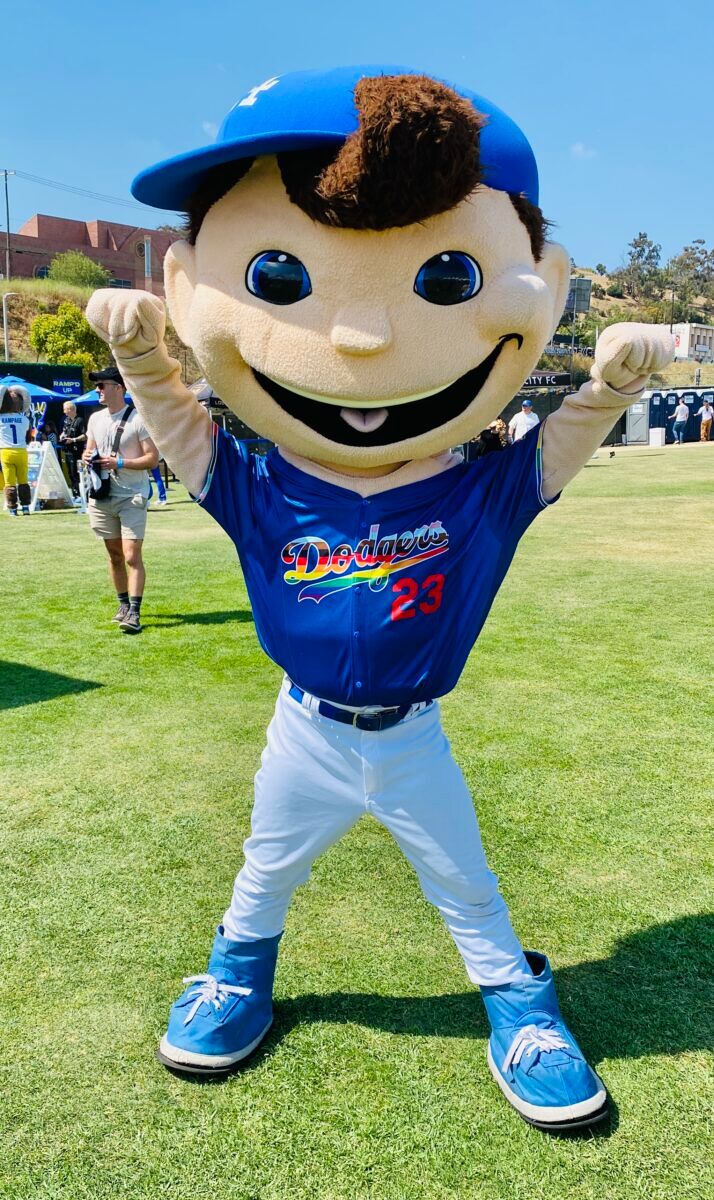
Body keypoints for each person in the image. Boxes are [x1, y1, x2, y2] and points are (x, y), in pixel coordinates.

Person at [89, 65, 674, 1132]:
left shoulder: (481, 487)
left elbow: (565, 446)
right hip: (302, 728)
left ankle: (520, 1008)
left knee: (467, 885)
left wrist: (613, 389)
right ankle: (237, 977)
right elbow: (182, 429)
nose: (358, 346)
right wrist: (141, 354)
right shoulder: (268, 485)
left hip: (410, 735)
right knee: (263, 873)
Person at [82, 366, 159, 634]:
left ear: (118, 387)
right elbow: (89, 449)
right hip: (102, 494)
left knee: (130, 555)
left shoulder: (139, 418)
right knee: (114, 555)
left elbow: (153, 458)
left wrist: (120, 462)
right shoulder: (94, 419)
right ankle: (123, 605)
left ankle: (135, 612)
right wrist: (87, 457)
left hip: (132, 495)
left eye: (102, 385)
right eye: (98, 386)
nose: (97, 390)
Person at [0, 386, 32, 516]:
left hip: (6, 451)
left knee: (9, 482)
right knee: (23, 480)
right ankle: (25, 507)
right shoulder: (25, 419)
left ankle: (13, 508)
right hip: (21, 451)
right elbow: (28, 437)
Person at [59, 401, 87, 496]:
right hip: (67, 450)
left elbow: (85, 435)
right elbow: (64, 431)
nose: (64, 412)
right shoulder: (66, 420)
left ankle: (81, 494)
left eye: (65, 409)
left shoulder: (80, 420)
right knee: (70, 473)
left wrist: (74, 440)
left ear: (71, 409)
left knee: (77, 473)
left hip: (77, 451)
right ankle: (75, 493)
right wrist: (62, 436)